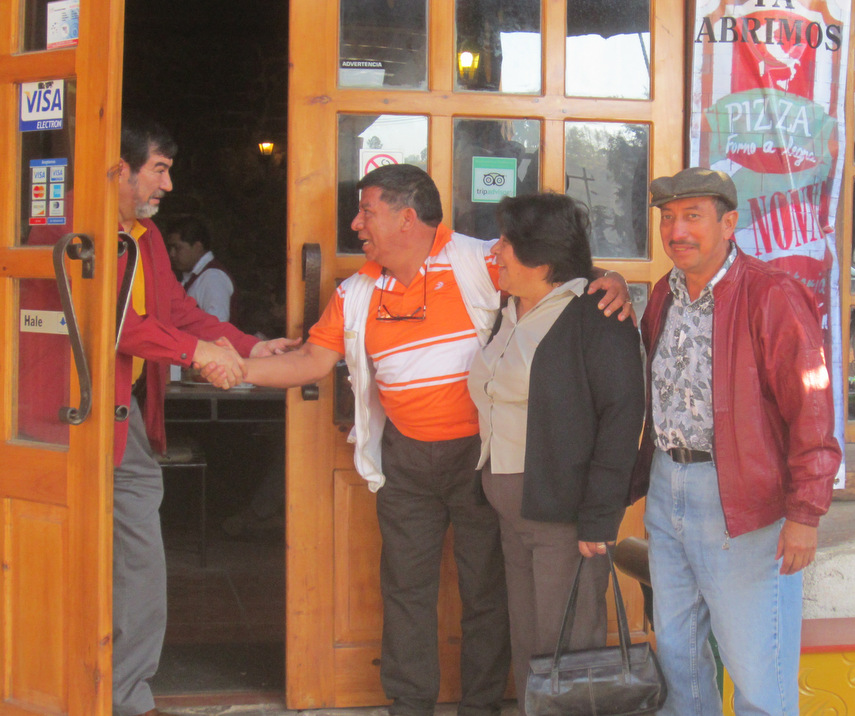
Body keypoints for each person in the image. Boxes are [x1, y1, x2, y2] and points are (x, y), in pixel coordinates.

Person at [202, 163, 633, 716]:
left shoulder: (478, 260)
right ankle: (409, 705)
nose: (356, 224)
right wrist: (237, 368)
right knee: (405, 589)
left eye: (367, 212)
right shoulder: (357, 292)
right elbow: (310, 361)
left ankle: (480, 706)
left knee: (486, 591)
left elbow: (551, 267)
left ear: (407, 218)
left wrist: (610, 278)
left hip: (481, 458)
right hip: (405, 459)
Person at [24, 113, 297, 716]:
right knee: (43, 551)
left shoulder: (145, 236)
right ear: (119, 169)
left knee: (139, 558)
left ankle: (128, 696)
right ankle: (39, 687)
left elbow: (175, 312)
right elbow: (109, 321)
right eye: (159, 170)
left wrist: (248, 346)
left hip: (124, 424)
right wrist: (197, 354)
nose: (167, 185)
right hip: (55, 422)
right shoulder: (63, 227)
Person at [631, 168, 841, 715]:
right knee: (678, 655)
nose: (677, 230)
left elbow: (812, 409)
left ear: (729, 224)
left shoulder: (772, 295)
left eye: (692, 216)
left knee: (756, 668)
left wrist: (805, 513)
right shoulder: (664, 293)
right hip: (667, 485)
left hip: (743, 500)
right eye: (668, 218)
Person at [467, 193, 644, 715]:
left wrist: (600, 516)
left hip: (564, 512)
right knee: (529, 638)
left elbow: (621, 419)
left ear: (541, 260)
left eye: (507, 243)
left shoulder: (597, 315)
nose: (495, 251)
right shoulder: (509, 310)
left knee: (569, 643)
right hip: (511, 507)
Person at [165, 214, 237, 323]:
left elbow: (216, 326)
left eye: (177, 248)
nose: (172, 254)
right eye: (170, 248)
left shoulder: (212, 278)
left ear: (197, 247)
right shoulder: (196, 276)